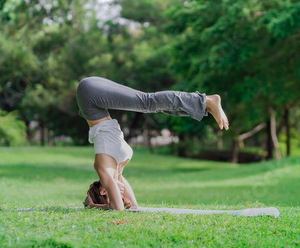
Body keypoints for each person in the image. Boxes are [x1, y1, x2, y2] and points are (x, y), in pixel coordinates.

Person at [76, 76, 229, 211]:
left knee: (147, 102)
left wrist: (93, 205)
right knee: (150, 105)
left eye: (113, 194)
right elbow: (134, 207)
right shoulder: (117, 169)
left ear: (104, 191)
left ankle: (207, 101)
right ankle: (204, 108)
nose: (120, 195)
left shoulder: (104, 169)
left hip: (88, 95)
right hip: (93, 102)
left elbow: (117, 208)